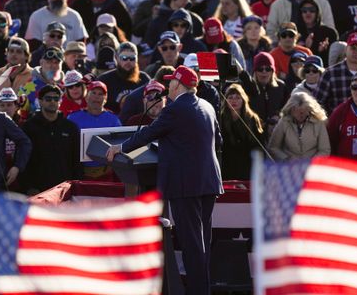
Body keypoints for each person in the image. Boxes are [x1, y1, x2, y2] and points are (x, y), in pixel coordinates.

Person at [106, 65, 223, 295]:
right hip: (209, 181)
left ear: (178, 85)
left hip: (185, 185)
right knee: (202, 244)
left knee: (192, 245)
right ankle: (203, 289)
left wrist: (120, 147)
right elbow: (218, 140)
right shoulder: (207, 106)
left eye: (171, 82)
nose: (168, 85)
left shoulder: (176, 109)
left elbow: (149, 133)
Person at [21, 84, 82, 194]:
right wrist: (28, 187)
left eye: (56, 98)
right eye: (48, 99)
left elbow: (77, 159)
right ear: (40, 101)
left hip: (65, 188)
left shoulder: (70, 127)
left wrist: (76, 185)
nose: (52, 101)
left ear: (60, 101)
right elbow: (23, 159)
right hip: (37, 189)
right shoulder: (28, 127)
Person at [315, 32, 357, 114]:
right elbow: (317, 104)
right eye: (353, 48)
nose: (356, 52)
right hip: (336, 124)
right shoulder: (330, 74)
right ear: (346, 49)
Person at [219, 83, 264, 180]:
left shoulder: (252, 119)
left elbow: (258, 146)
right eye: (230, 97)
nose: (234, 101)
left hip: (247, 168)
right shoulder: (220, 119)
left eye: (237, 98)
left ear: (243, 100)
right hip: (227, 169)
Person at [268, 92, 331, 160]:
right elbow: (273, 147)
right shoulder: (284, 122)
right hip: (289, 166)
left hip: (312, 167)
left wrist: (312, 162)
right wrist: (286, 159)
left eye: (303, 111)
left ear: (309, 109)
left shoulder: (318, 123)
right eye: (298, 111)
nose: (301, 114)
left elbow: (324, 150)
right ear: (291, 109)